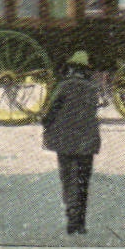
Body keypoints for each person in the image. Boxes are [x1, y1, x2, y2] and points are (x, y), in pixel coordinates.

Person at [41, 51, 102, 236]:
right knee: (83, 183)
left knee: (68, 180)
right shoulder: (92, 89)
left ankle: (71, 218)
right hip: (87, 142)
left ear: (71, 68)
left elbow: (48, 114)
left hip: (65, 141)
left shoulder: (63, 86)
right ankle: (80, 222)